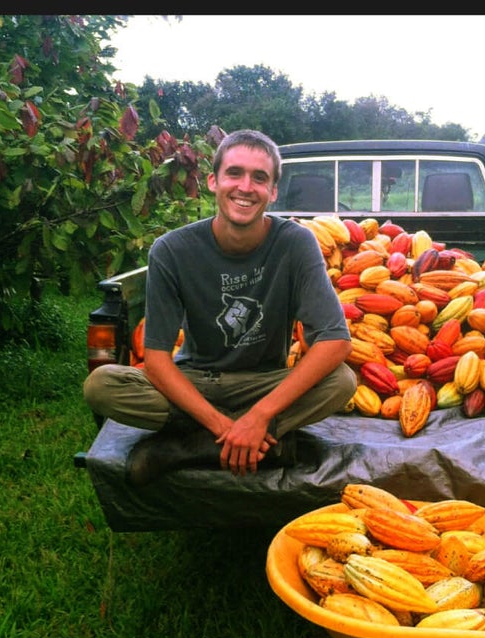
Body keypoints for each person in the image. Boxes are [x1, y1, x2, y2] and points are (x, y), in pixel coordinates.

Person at [83, 128, 357, 486]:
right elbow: (156, 360)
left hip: (263, 384)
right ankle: (256, 444)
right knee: (102, 385)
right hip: (196, 381)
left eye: (259, 178)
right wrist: (227, 426)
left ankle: (191, 446)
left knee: (341, 381)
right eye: (234, 173)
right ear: (213, 181)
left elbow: (336, 342)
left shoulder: (296, 244)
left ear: (273, 191)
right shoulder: (171, 251)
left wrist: (259, 415)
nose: (245, 187)